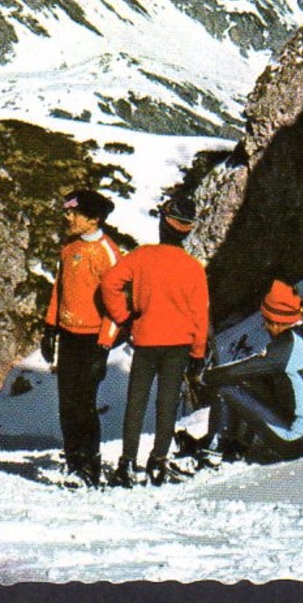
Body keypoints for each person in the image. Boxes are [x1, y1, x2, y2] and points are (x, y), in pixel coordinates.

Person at [100, 196, 208, 487]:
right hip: (178, 345)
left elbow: (109, 284)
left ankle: (126, 464)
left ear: (163, 224)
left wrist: (124, 318)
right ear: (186, 230)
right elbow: (200, 315)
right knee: (167, 403)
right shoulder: (193, 267)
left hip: (145, 339)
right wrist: (198, 352)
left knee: (136, 403)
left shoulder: (141, 256)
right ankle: (158, 461)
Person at [189, 280, 303, 465]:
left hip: (298, 440)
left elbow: (241, 370)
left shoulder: (286, 345)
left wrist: (205, 377)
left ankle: (214, 449)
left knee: (225, 387)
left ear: (277, 321)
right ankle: (234, 444)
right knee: (251, 384)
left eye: (266, 322)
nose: (264, 327)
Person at [41, 188, 125, 487]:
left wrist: (103, 347)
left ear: (93, 219)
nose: (68, 217)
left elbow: (118, 308)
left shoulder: (108, 254)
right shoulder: (69, 249)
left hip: (92, 340)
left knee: (84, 403)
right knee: (67, 401)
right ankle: (73, 459)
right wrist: (50, 327)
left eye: (74, 212)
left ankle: (90, 463)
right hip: (68, 335)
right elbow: (59, 291)